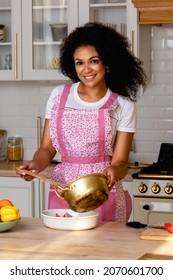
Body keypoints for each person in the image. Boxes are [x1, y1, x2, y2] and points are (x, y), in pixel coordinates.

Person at [17, 22, 146, 223]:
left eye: (93, 61)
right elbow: (46, 149)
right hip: (64, 190)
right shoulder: (59, 96)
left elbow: (120, 162)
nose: (86, 69)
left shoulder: (123, 105)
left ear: (108, 62)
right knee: (64, 250)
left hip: (102, 191)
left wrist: (114, 171)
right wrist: (35, 165)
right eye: (79, 62)